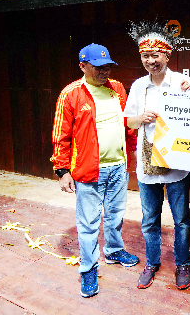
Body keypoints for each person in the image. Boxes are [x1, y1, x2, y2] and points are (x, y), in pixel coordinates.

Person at [51, 43, 141, 298]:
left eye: (108, 67)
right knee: (89, 223)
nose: (105, 72)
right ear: (83, 66)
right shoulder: (71, 94)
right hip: (89, 170)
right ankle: (88, 268)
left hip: (118, 167)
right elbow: (61, 135)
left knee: (115, 214)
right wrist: (61, 170)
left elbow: (127, 124)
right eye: (99, 68)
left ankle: (113, 250)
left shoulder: (117, 89)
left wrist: (132, 150)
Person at [123, 21, 190, 290]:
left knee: (182, 220)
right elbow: (128, 121)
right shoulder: (138, 86)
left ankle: (183, 263)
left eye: (156, 55)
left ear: (167, 54)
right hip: (146, 162)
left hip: (177, 163)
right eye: (145, 56)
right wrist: (139, 118)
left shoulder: (182, 82)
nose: (150, 60)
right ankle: (152, 262)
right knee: (150, 220)